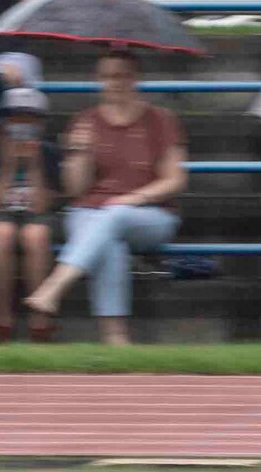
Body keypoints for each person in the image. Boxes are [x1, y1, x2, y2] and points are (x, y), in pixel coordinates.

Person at [23, 48, 188, 345]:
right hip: (89, 213)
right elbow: (74, 189)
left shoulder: (160, 120)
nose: (116, 82)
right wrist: (79, 153)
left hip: (150, 214)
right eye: (109, 76)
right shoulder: (84, 122)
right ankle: (114, 337)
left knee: (113, 216)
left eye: (123, 75)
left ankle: (55, 285)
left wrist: (134, 198)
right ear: (99, 79)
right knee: (110, 242)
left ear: (135, 78)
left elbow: (174, 180)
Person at [0, 87, 61, 342]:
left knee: (35, 236)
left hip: (35, 215)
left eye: (29, 118)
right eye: (16, 118)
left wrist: (34, 163)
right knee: (0, 233)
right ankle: (1, 318)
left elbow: (43, 205)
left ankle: (40, 319)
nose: (22, 124)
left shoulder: (48, 152)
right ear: (4, 121)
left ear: (40, 123)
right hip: (2, 214)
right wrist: (8, 164)